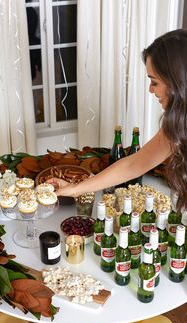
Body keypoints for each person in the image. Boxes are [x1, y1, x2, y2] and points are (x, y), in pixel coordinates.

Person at [47, 29, 187, 212]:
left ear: (177, 81)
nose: (150, 90)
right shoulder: (176, 123)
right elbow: (134, 163)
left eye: (154, 82)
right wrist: (75, 189)